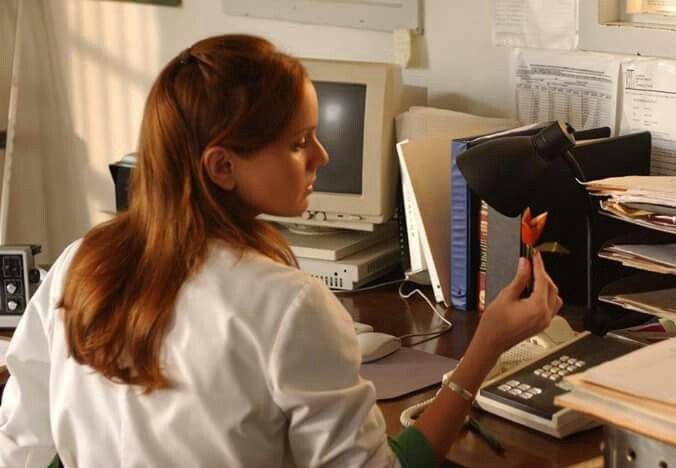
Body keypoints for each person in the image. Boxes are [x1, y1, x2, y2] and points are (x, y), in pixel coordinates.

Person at [0, 34, 562, 467]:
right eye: (297, 143)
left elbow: (23, 444)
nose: (319, 156)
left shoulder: (80, 263)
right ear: (222, 167)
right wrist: (486, 344)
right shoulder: (286, 305)